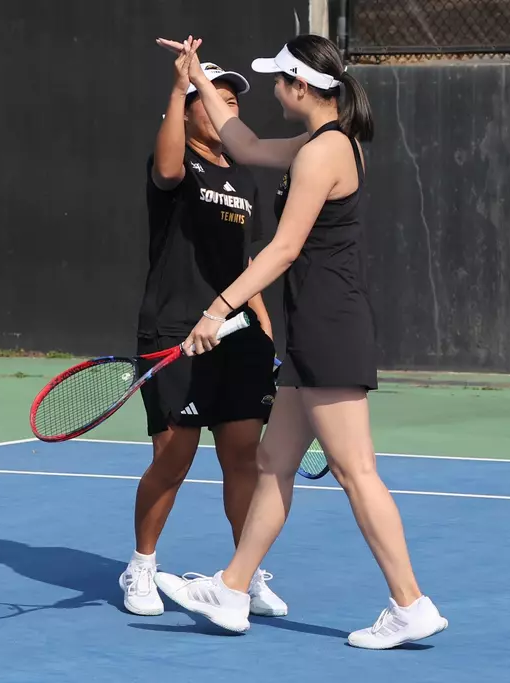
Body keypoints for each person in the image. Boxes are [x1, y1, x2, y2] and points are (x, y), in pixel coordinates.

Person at [150, 34, 449, 650]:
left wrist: (216, 309)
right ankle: (232, 590)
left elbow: (283, 249)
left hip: (327, 327)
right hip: (315, 326)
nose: (274, 91)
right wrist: (194, 79)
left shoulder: (325, 152)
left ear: (301, 87)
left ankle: (410, 602)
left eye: (278, 82)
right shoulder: (322, 142)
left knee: (355, 471)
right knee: (273, 464)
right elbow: (248, 144)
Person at [120, 37, 287, 620]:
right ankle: (141, 566)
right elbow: (165, 167)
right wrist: (176, 84)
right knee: (176, 458)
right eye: (214, 97)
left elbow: (246, 264)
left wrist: (263, 326)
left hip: (237, 337)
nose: (229, 106)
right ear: (190, 110)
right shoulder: (176, 162)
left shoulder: (245, 180)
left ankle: (241, 577)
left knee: (244, 458)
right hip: (174, 333)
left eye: (234, 100)